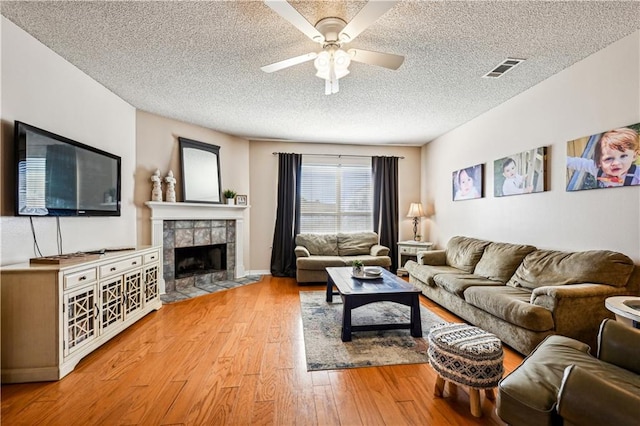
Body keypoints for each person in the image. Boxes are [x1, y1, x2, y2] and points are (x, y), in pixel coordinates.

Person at [567, 127, 640, 188]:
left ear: (634, 156)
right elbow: (580, 163)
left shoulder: (637, 175)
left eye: (623, 156)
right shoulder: (598, 169)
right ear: (599, 162)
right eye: (608, 158)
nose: (616, 163)